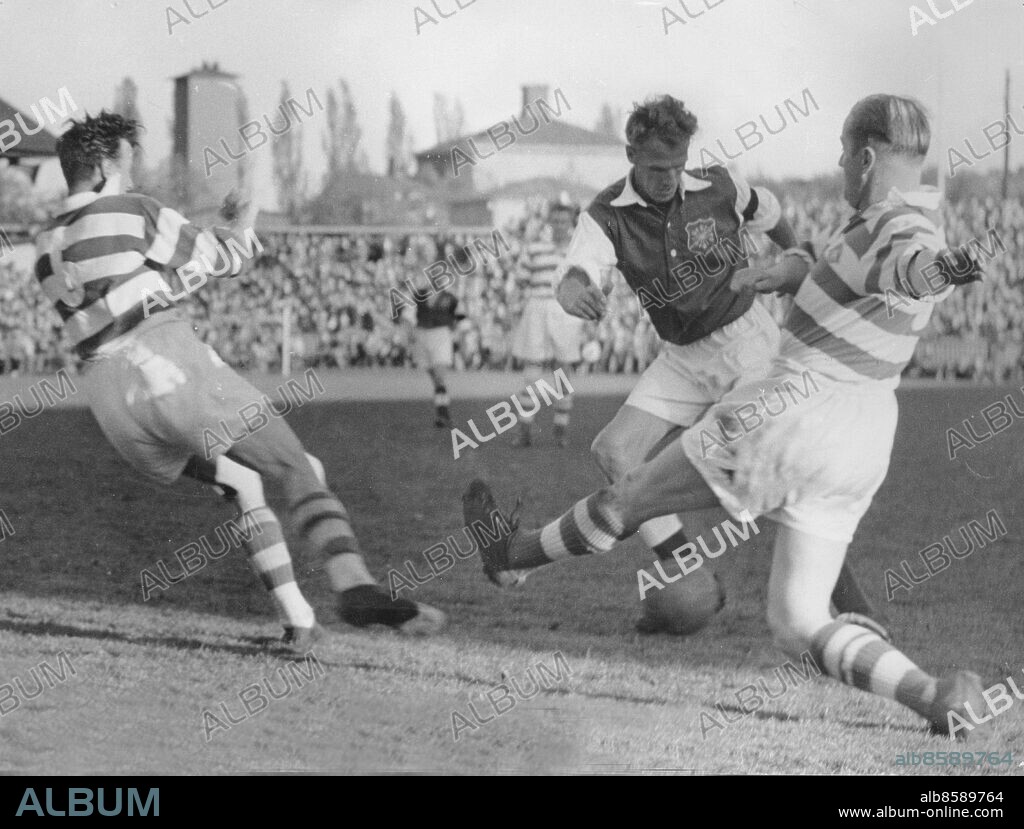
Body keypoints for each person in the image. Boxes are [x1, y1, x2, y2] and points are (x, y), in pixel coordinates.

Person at [465, 95, 989, 738]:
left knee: (631, 497)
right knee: (796, 621)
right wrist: (787, 270)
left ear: (866, 158)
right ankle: (937, 696)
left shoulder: (895, 224)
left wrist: (934, 270)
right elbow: (855, 271)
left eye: (843, 154)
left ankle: (514, 553)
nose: (837, 165)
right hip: (864, 432)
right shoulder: (878, 222)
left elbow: (908, 265)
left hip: (794, 406)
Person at [35, 112, 445, 651]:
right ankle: (355, 585)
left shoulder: (45, 242)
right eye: (128, 163)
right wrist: (242, 226)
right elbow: (224, 260)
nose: (132, 176)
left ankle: (299, 620)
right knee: (297, 466)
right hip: (165, 364)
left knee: (242, 482)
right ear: (104, 165)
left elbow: (133, 284)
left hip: (109, 400)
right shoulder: (130, 209)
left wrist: (213, 229)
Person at [553, 94, 882, 634]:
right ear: (631, 154)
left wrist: (794, 258)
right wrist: (574, 293)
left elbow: (771, 215)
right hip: (682, 356)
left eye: (677, 165)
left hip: (745, 343)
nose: (669, 179)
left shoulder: (721, 186)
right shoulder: (606, 214)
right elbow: (577, 272)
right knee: (613, 450)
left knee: (769, 473)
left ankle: (855, 608)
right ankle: (688, 577)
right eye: (657, 168)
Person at [510, 200, 584, 447]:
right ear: (550, 222)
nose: (560, 225)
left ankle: (560, 429)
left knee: (563, 371)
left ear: (571, 222)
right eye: (556, 220)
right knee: (532, 371)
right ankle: (525, 429)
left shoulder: (578, 251)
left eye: (564, 221)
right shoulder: (534, 248)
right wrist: (514, 311)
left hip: (566, 310)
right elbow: (520, 282)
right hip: (537, 308)